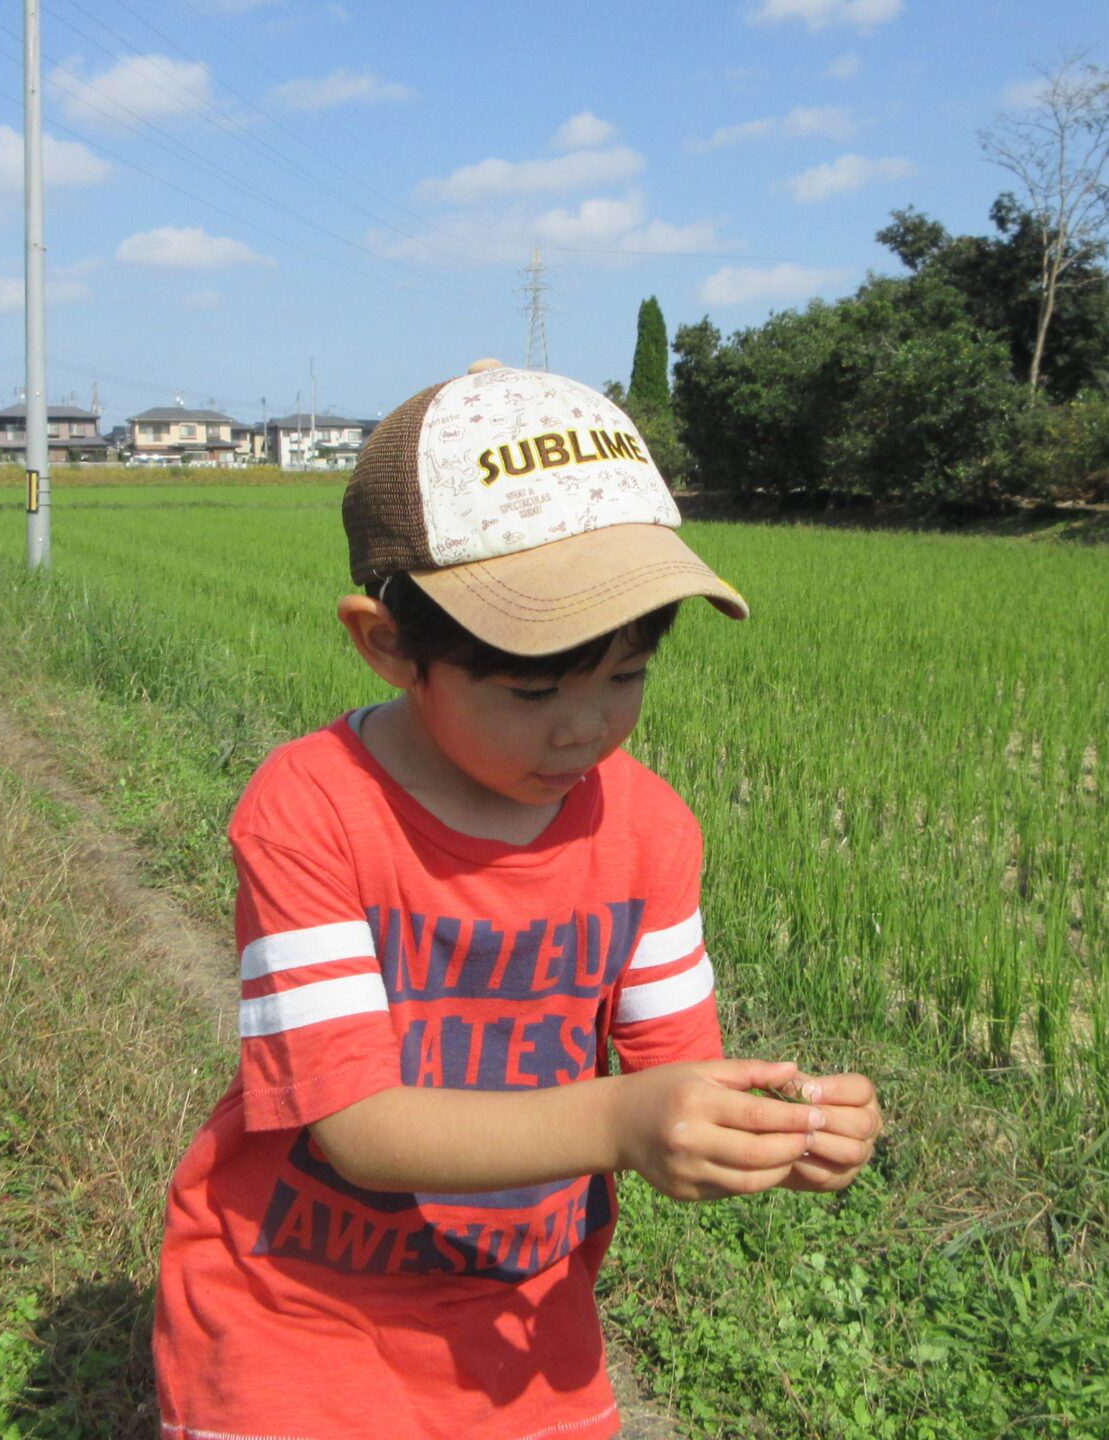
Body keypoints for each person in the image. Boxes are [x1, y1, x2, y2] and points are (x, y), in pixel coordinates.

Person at [153, 361, 881, 1439]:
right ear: (388, 644)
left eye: (627, 674)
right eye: (535, 689)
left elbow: (675, 1077)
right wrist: (625, 1120)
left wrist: (777, 1130)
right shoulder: (314, 808)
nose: (585, 728)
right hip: (297, 1310)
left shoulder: (649, 829)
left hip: (523, 1316)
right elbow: (357, 1127)